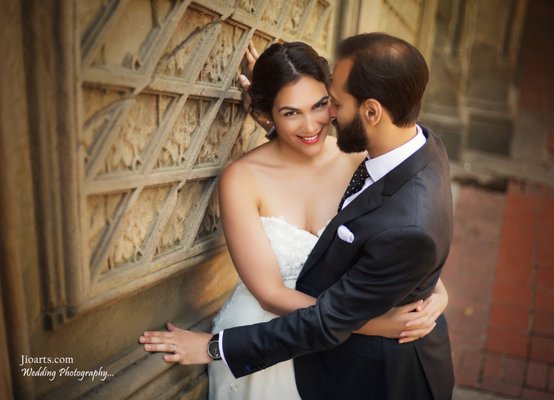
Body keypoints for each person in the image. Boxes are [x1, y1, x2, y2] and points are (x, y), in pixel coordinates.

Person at [140, 34, 454, 400]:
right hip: (266, 342)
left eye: (325, 104)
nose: (314, 124)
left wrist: (437, 297)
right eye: (291, 112)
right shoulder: (244, 179)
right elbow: (273, 294)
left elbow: (406, 248)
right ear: (264, 113)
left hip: (337, 353)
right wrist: (374, 325)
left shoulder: (360, 162)